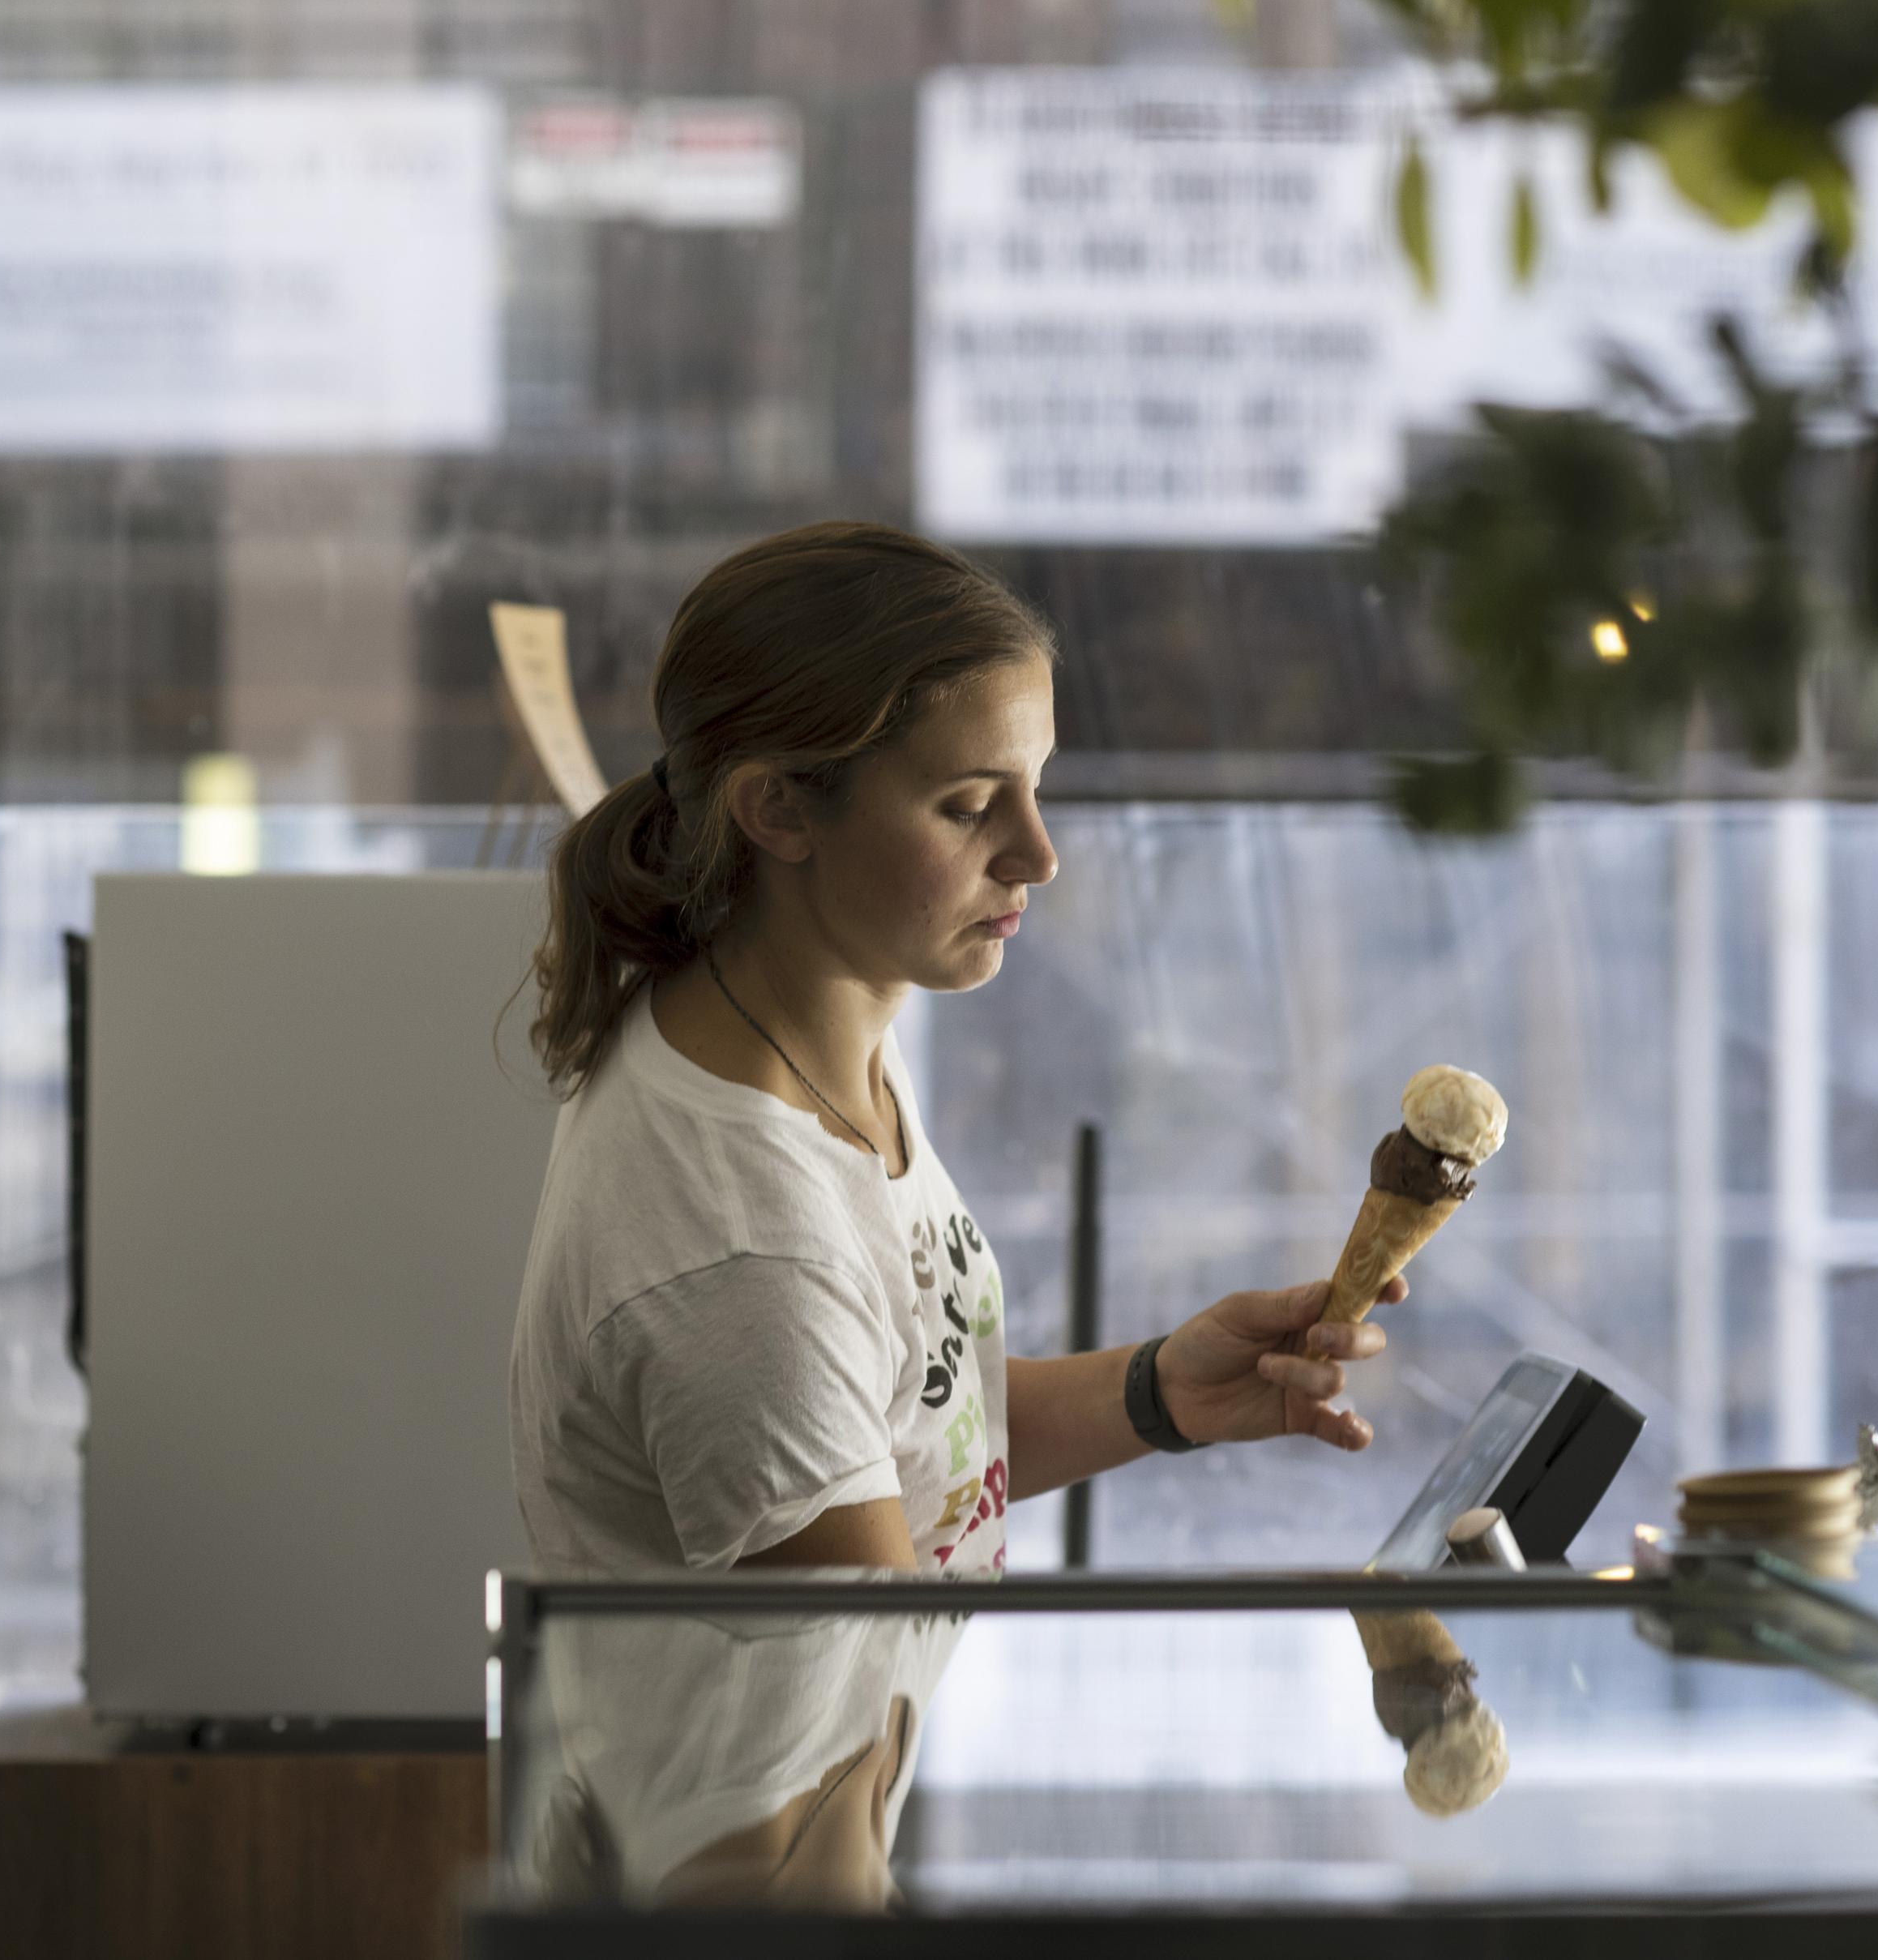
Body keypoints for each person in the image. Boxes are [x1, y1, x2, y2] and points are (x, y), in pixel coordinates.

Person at [505, 520, 1397, 1899]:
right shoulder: (745, 1246)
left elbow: (899, 1438)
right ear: (779, 810)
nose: (1038, 854)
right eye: (971, 805)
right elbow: (847, 1686)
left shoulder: (819, 1038)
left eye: (1036, 789)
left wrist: (1163, 1391)